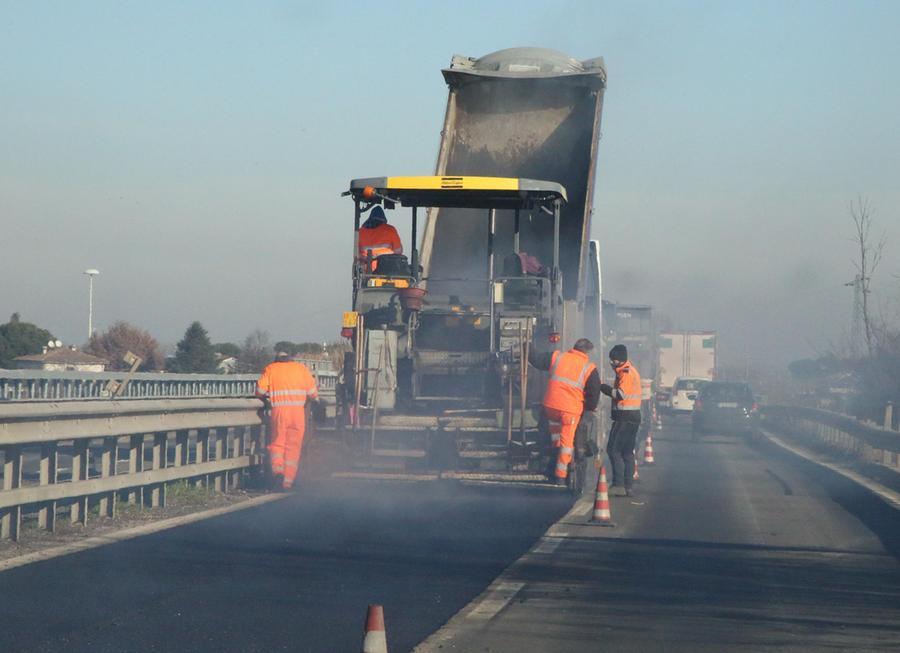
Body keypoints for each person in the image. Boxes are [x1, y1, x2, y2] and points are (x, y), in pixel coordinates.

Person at [530, 338, 601, 486]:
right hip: (569, 411)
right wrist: (588, 411)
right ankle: (560, 476)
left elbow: (536, 360)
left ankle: (548, 460)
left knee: (554, 434)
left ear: (574, 348)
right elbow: (593, 394)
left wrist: (528, 348)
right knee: (567, 443)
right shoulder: (589, 368)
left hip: (550, 407)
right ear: (587, 352)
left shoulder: (558, 357)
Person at [256, 352, 319, 490]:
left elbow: (260, 391)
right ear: (290, 360)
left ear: (277, 360)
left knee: (278, 444)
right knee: (293, 448)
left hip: (279, 412)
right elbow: (313, 393)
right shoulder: (301, 369)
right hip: (298, 413)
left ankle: (278, 471)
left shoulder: (271, 369)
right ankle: (287, 482)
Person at [599, 344, 642, 497]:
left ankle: (618, 484)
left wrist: (603, 388)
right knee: (627, 452)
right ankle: (628, 486)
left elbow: (621, 394)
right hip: (633, 417)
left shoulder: (626, 373)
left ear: (618, 360)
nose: (611, 363)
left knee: (613, 450)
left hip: (625, 417)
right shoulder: (629, 370)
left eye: (612, 360)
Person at [358, 205, 402, 271]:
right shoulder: (390, 230)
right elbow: (398, 251)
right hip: (387, 270)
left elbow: (358, 255)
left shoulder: (360, 232)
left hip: (367, 271)